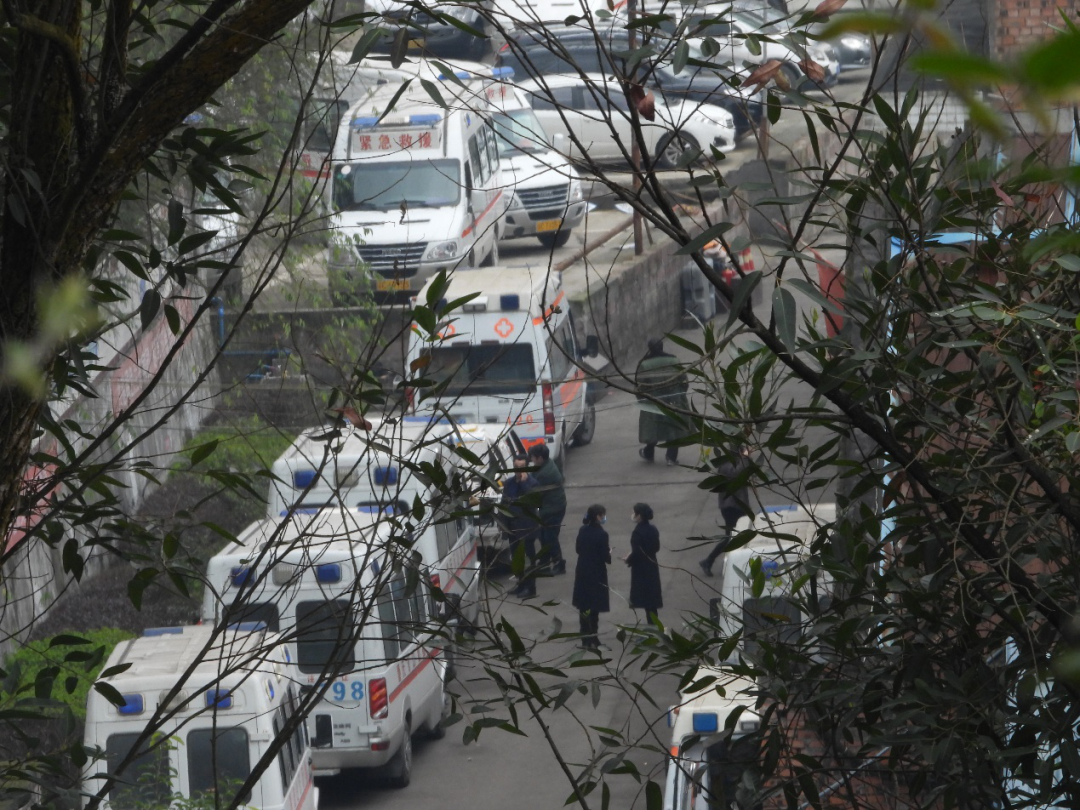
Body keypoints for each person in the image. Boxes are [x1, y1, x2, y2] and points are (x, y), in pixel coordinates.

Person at [700, 445, 754, 577]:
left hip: (736, 505)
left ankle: (716, 561)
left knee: (735, 536)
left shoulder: (734, 461)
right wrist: (746, 458)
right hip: (730, 506)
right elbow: (737, 474)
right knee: (730, 537)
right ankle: (708, 561)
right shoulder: (727, 464)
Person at [635, 338, 690, 466]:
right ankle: (671, 458)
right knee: (673, 429)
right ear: (662, 346)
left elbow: (640, 387)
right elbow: (684, 382)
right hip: (674, 401)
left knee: (653, 428)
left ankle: (648, 453)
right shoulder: (674, 361)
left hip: (653, 402)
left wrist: (642, 400)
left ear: (649, 348)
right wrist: (680, 396)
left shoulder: (644, 365)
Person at [500, 454, 540, 598]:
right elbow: (504, 504)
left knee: (528, 560)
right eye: (516, 467)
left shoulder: (532, 484)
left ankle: (531, 588)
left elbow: (532, 503)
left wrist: (523, 483)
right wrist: (503, 527)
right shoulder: (509, 483)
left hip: (526, 528)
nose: (518, 470)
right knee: (517, 560)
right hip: (512, 528)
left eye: (521, 467)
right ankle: (521, 584)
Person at [572, 504, 611, 649]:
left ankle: (585, 639)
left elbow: (578, 549)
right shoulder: (602, 534)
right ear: (598, 516)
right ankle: (594, 637)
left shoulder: (583, 530)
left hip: (582, 571)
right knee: (595, 607)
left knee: (584, 607)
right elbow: (605, 556)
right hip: (597, 573)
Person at [527, 443, 567, 574]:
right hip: (553, 506)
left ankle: (559, 563)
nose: (531, 460)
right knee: (544, 535)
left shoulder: (545, 473)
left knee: (550, 537)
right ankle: (544, 560)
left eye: (532, 457)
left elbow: (532, 490)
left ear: (539, 458)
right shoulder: (547, 464)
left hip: (553, 509)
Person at [625, 502, 662, 625]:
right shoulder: (653, 529)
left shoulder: (637, 533)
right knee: (652, 603)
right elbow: (656, 547)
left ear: (639, 515)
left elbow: (636, 553)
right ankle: (655, 627)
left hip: (641, 570)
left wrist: (628, 559)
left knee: (646, 601)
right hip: (652, 566)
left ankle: (652, 631)